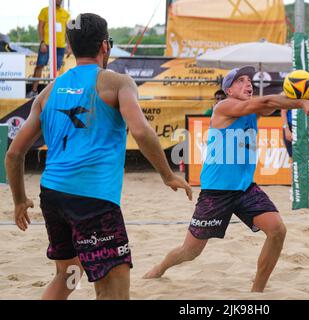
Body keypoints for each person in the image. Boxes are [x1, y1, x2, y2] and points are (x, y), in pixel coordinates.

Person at [5, 13, 192, 300]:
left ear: (69, 46)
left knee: (68, 276)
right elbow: (141, 132)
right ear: (105, 46)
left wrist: (19, 200)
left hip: (52, 196)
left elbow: (14, 153)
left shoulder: (49, 91)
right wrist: (167, 175)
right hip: (93, 202)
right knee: (113, 292)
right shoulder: (116, 82)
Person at [144, 66, 309, 292]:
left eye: (249, 80)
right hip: (216, 192)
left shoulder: (253, 109)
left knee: (278, 230)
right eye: (241, 80)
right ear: (228, 89)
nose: (248, 84)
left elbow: (272, 102)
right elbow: (263, 103)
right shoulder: (224, 107)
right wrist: (301, 103)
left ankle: (256, 292)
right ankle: (160, 268)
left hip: (245, 189)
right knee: (190, 252)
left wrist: (308, 100)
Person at [26, 0, 71, 98]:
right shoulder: (45, 11)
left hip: (60, 46)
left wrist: (69, 46)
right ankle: (34, 91)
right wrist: (42, 42)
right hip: (47, 44)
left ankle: (51, 92)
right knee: (40, 65)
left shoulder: (66, 14)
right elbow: (40, 27)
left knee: (56, 69)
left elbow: (67, 31)